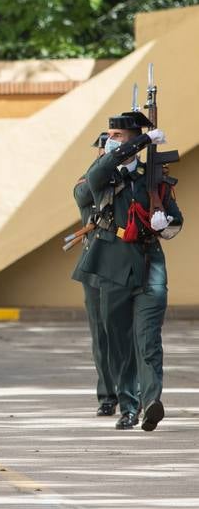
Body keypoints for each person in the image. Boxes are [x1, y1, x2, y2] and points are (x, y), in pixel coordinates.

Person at [78, 111, 181, 431]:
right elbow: (103, 168)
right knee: (119, 342)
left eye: (117, 136)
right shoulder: (100, 176)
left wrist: (166, 226)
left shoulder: (155, 177)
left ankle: (151, 401)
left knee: (148, 340)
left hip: (150, 264)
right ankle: (127, 405)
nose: (110, 140)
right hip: (111, 265)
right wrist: (141, 140)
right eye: (108, 135)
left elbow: (177, 220)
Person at [70, 133, 118, 417]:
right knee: (101, 335)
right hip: (96, 265)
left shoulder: (128, 176)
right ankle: (107, 395)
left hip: (125, 263)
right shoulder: (86, 180)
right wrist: (106, 163)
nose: (108, 150)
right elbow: (85, 194)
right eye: (104, 147)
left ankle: (131, 390)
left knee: (127, 333)